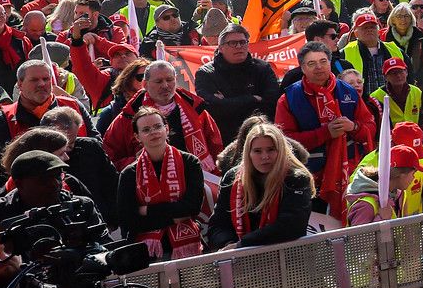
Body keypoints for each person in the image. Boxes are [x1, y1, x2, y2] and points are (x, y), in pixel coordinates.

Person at [276, 42, 375, 213]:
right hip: (310, 178)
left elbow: (370, 126)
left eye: (323, 61)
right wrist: (325, 133)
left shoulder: (349, 92)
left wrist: (353, 127)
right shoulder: (288, 99)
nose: (319, 67)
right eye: (311, 63)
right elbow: (285, 141)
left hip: (350, 173)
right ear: (302, 68)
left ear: (330, 63)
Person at [117, 105, 208, 261]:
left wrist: (146, 210)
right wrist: (173, 218)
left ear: (167, 128)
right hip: (146, 252)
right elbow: (128, 220)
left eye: (158, 126)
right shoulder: (129, 174)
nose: (153, 132)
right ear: (137, 137)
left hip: (187, 244)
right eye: (146, 130)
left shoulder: (190, 162)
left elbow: (192, 207)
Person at [207, 120, 314, 250]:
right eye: (258, 151)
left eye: (271, 150)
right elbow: (217, 226)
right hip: (241, 258)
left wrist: (242, 246)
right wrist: (228, 245)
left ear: (281, 151)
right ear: (248, 153)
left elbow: (291, 226)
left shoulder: (297, 178)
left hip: (288, 256)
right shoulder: (232, 178)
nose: (265, 156)